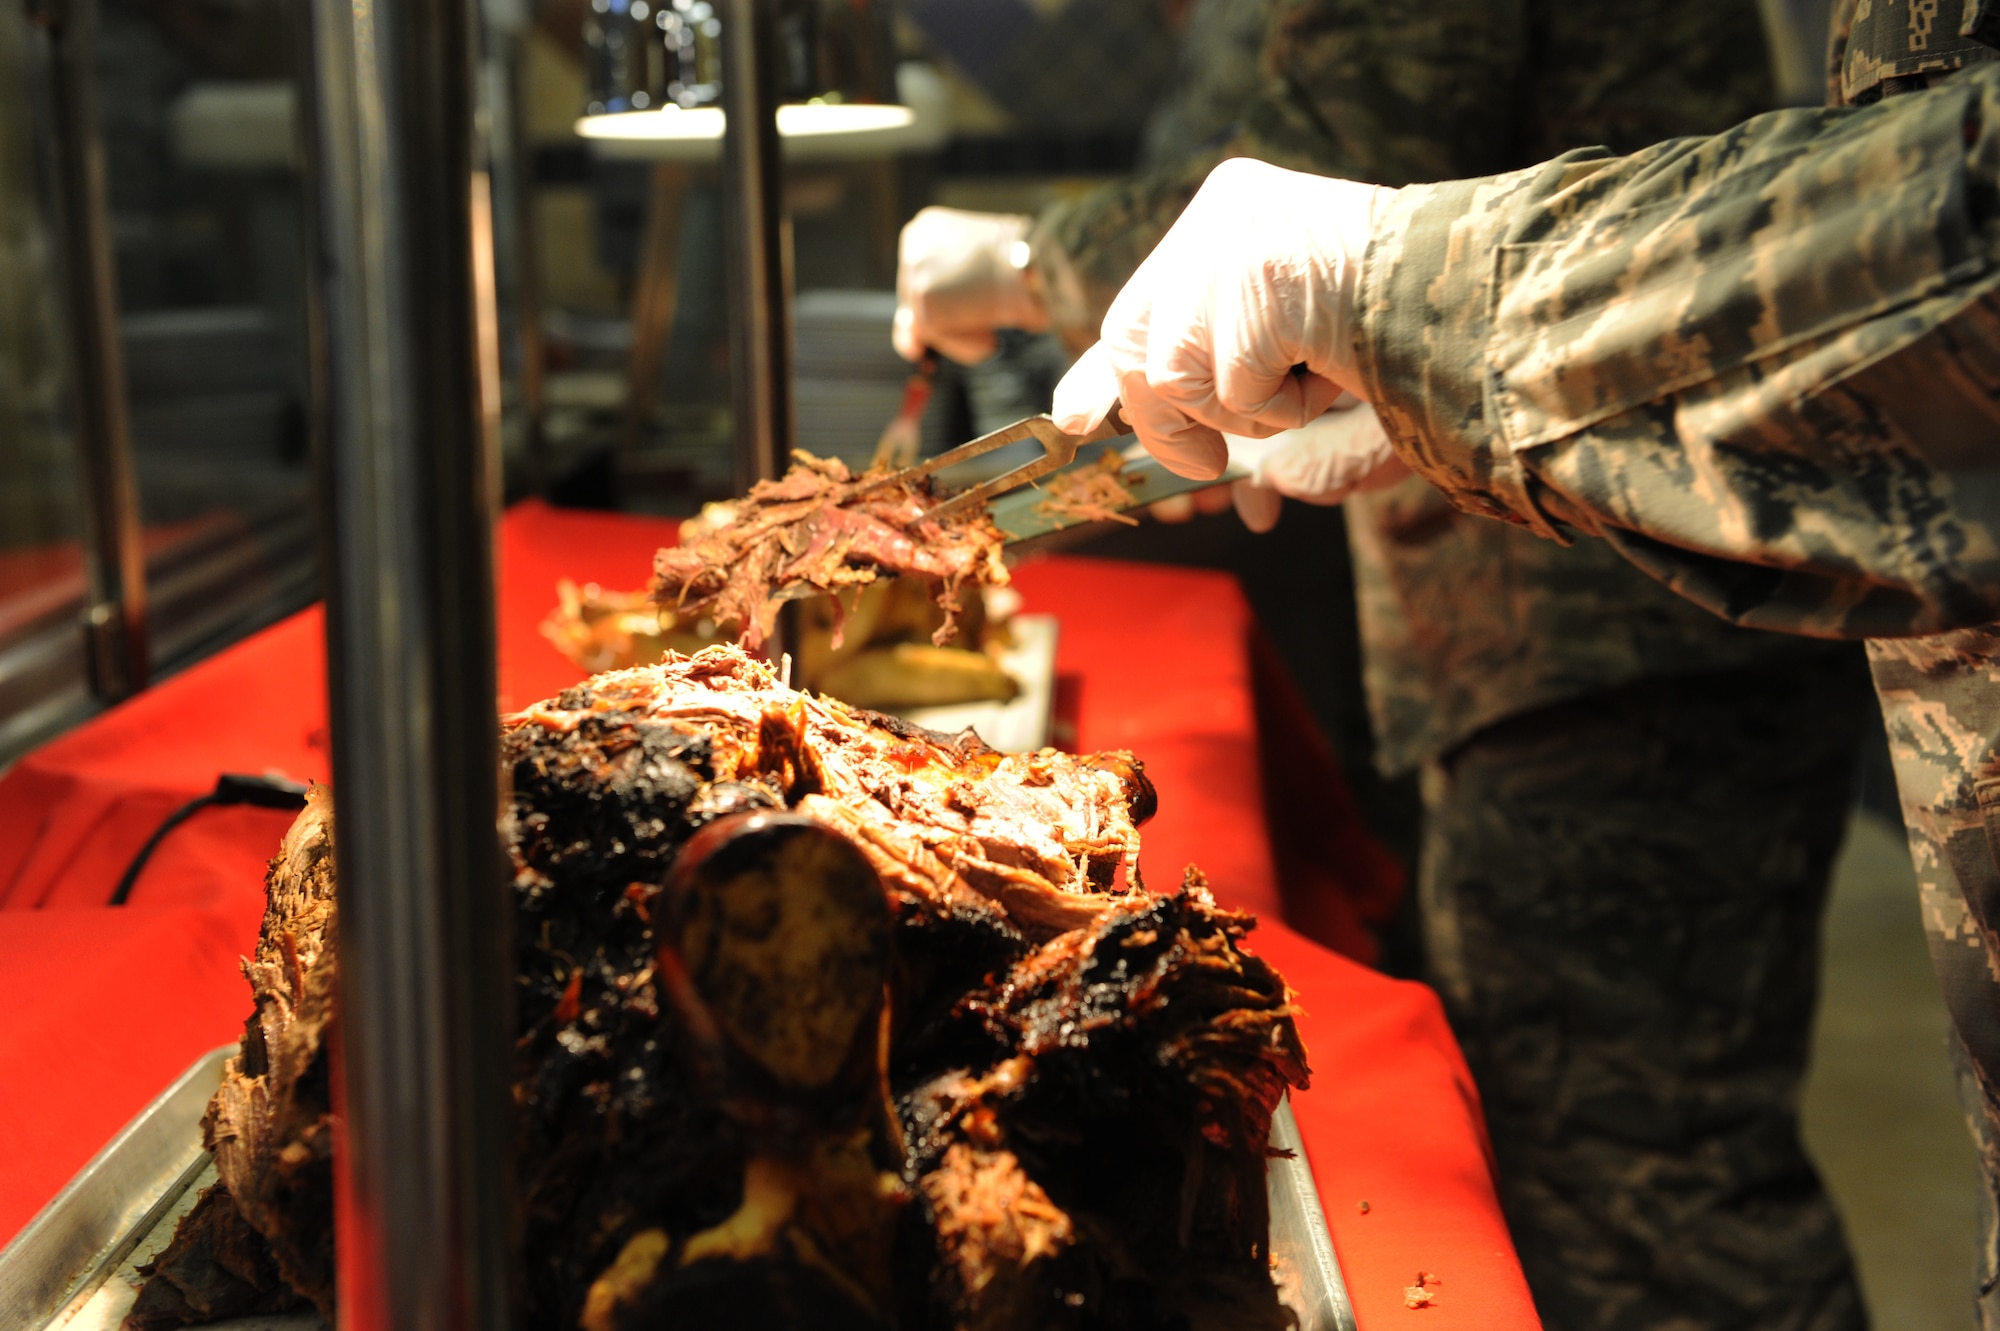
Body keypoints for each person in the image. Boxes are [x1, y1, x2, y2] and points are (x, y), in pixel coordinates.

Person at [898, 3, 1875, 1327]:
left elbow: (1336, 161)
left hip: (1617, 621)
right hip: (1615, 578)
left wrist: (1024, 262)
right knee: (1604, 1168)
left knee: (1656, 1197)